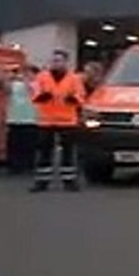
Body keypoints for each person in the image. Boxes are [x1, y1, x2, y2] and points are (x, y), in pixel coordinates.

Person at [30, 50, 86, 192]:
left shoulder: (74, 78)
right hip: (46, 120)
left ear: (65, 62)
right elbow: (35, 93)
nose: (55, 63)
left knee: (68, 152)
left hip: (67, 120)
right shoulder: (42, 77)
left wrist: (73, 99)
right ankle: (42, 182)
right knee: (44, 152)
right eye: (54, 60)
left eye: (59, 60)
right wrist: (43, 96)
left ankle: (69, 181)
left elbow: (81, 95)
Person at [5, 65, 38, 175]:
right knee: (14, 144)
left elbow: (32, 90)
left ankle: (29, 165)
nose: (24, 74)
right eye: (23, 72)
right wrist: (8, 77)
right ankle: (14, 166)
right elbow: (7, 90)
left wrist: (27, 80)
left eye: (28, 72)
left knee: (28, 144)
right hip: (14, 119)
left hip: (30, 119)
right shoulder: (15, 84)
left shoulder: (37, 84)